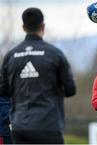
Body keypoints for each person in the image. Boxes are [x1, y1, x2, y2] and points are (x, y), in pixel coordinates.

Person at [0, 7, 76, 144]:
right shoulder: (55, 54)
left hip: (19, 127)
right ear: (43, 26)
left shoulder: (10, 56)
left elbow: (3, 90)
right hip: (48, 126)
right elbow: (71, 90)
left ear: (23, 27)